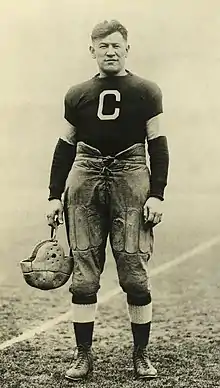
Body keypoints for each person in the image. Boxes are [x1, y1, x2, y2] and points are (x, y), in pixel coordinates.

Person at [47, 19, 169, 381]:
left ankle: (141, 354)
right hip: (84, 174)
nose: (110, 51)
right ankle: (83, 355)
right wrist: (54, 195)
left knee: (134, 273)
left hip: (132, 173)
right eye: (103, 46)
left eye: (116, 45)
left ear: (127, 48)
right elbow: (65, 146)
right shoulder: (78, 93)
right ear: (92, 50)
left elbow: (158, 145)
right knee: (84, 277)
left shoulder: (146, 90)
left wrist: (158, 194)